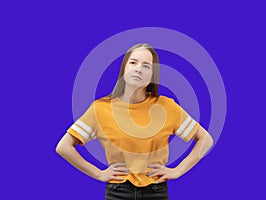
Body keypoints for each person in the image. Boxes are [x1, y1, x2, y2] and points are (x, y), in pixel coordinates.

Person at [56, 43, 213, 200]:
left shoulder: (167, 107)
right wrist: (98, 174)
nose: (138, 69)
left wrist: (178, 171)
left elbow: (205, 139)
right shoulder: (100, 109)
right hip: (118, 191)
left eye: (146, 66)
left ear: (152, 75)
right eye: (133, 62)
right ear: (124, 68)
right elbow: (63, 147)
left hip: (156, 191)